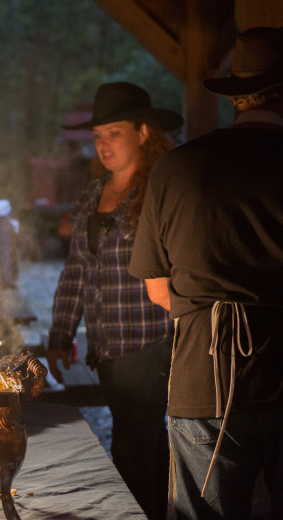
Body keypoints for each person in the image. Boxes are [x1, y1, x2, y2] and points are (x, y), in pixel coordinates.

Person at [129, 26, 283, 520]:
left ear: (239, 97)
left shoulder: (176, 168)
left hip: (207, 379)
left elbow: (157, 289)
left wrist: (209, 306)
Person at [47, 82, 182, 519]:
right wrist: (60, 333)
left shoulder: (163, 189)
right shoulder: (92, 195)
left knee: (133, 439)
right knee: (139, 439)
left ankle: (137, 513)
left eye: (115, 133)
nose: (103, 144)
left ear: (144, 132)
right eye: (98, 135)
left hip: (150, 339)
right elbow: (77, 270)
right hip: (106, 346)